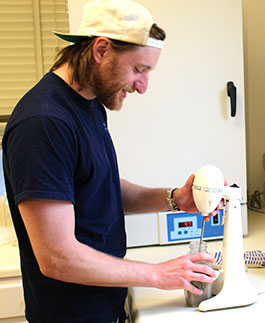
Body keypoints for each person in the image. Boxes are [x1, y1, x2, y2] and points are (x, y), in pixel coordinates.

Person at [2, 0, 218, 322]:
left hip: (105, 306)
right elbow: (56, 257)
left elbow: (98, 188)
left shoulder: (88, 105)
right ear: (101, 50)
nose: (142, 87)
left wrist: (174, 199)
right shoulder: (44, 123)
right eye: (139, 70)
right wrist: (157, 274)